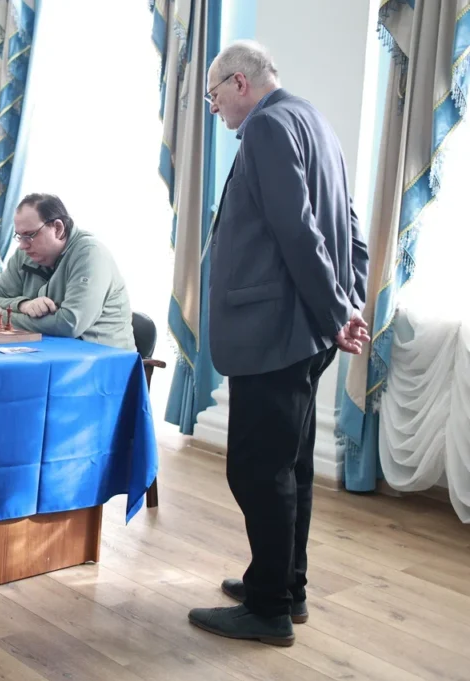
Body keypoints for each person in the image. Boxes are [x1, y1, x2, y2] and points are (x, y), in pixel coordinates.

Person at [186, 41, 370, 647]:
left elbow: (299, 231)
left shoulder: (266, 127)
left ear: (239, 82)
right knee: (290, 466)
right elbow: (350, 226)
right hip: (307, 331)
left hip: (275, 332)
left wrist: (336, 310)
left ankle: (267, 609)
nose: (214, 108)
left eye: (214, 96)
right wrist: (347, 304)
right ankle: (287, 587)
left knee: (257, 470)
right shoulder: (314, 120)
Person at [0, 193, 135, 351]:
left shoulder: (90, 254)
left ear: (58, 228)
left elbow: (69, 324)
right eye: (19, 236)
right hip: (48, 352)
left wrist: (3, 316)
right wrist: (23, 305)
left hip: (101, 358)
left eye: (30, 235)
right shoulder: (24, 255)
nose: (23, 245)